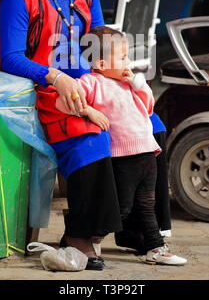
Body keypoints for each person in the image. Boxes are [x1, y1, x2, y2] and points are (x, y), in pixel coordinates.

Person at [0, 0, 123, 271]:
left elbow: (98, 38)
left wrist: (115, 73)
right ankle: (80, 237)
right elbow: (11, 57)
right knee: (91, 134)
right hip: (44, 89)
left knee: (148, 124)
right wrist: (56, 76)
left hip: (86, 81)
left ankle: (144, 232)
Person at [55, 26, 187, 266]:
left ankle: (155, 248)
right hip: (124, 158)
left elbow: (148, 108)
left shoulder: (127, 83)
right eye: (123, 57)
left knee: (147, 204)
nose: (128, 62)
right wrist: (88, 110)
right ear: (103, 64)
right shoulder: (91, 82)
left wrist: (139, 85)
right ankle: (83, 239)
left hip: (147, 153)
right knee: (123, 209)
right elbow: (62, 102)